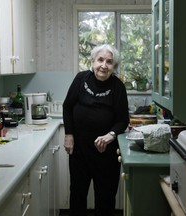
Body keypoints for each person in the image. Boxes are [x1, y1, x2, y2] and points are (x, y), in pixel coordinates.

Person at [63, 44, 129, 216]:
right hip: (80, 151)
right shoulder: (80, 79)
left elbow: (123, 120)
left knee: (105, 198)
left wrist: (110, 135)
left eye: (109, 62)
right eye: (100, 60)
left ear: (114, 67)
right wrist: (68, 134)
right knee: (77, 194)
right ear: (92, 61)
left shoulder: (118, 87)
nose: (104, 65)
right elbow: (67, 107)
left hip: (106, 153)